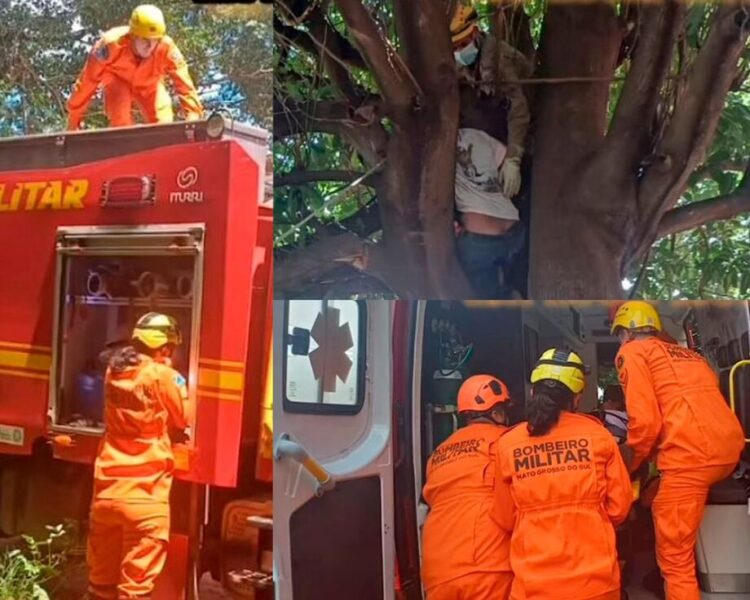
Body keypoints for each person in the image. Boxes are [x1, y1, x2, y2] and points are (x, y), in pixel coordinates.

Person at [611, 300, 745, 600]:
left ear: (625, 333)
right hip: (728, 450)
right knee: (653, 497)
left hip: (691, 459)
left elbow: (645, 424)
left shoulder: (632, 352)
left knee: (675, 559)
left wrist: (630, 462)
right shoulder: (690, 356)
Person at [492, 348, 633, 600]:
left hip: (534, 588)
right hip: (596, 585)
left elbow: (504, 518)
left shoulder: (508, 444)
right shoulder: (599, 436)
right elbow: (619, 508)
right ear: (577, 398)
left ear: (533, 391)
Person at [87, 312, 191, 600]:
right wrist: (173, 373)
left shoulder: (114, 371)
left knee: (100, 587)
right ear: (165, 348)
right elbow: (184, 418)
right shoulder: (163, 375)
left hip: (106, 494)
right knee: (135, 590)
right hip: (146, 498)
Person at [449, 1, 530, 298]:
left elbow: (519, 108)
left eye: (465, 42)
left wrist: (514, 158)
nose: (461, 48)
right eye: (455, 45)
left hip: (515, 122)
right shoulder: (453, 62)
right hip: (507, 226)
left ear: (476, 31)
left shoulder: (499, 57)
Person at [421, 374, 514, 599]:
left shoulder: (439, 453)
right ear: (496, 413)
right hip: (485, 566)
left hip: (437, 572)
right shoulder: (505, 442)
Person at [67, 5, 204, 130]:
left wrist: (193, 117)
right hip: (117, 81)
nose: (150, 46)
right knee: (120, 118)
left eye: (155, 39)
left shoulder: (167, 48)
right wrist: (74, 119)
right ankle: (124, 150)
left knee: (164, 125)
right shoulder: (109, 45)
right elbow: (87, 82)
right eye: (145, 39)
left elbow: (185, 85)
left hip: (149, 85)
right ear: (133, 36)